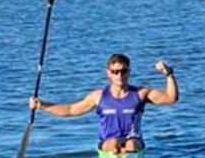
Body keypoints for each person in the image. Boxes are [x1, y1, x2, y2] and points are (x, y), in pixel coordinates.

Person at [29, 54, 178, 153]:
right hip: (108, 142)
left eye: (123, 71)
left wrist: (169, 74)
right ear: (108, 73)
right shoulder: (98, 96)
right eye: (115, 72)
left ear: (129, 72)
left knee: (131, 145)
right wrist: (42, 105)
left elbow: (171, 98)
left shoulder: (140, 93)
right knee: (113, 144)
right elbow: (71, 110)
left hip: (133, 141)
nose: (119, 75)